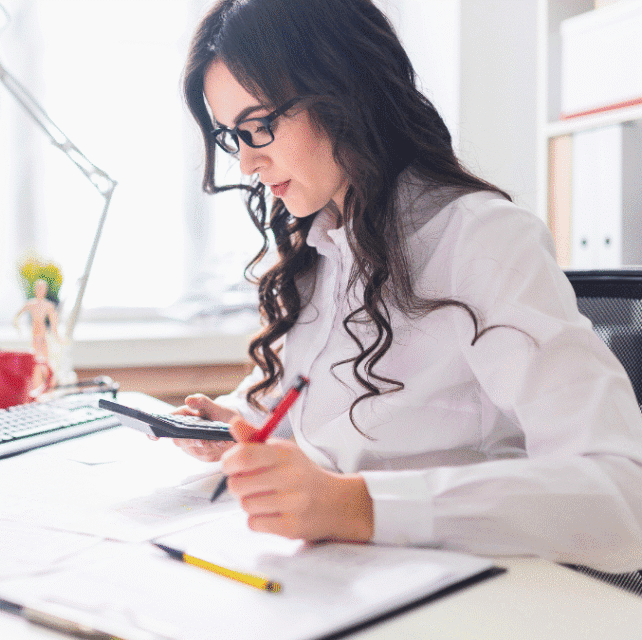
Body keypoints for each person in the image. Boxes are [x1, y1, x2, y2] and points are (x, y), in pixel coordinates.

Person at [172, 0, 642, 573]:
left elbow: (623, 495)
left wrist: (359, 505)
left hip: (472, 592)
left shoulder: (482, 239)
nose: (247, 163)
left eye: (259, 126)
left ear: (342, 93)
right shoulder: (320, 245)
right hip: (342, 578)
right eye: (231, 136)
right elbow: (320, 419)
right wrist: (240, 426)